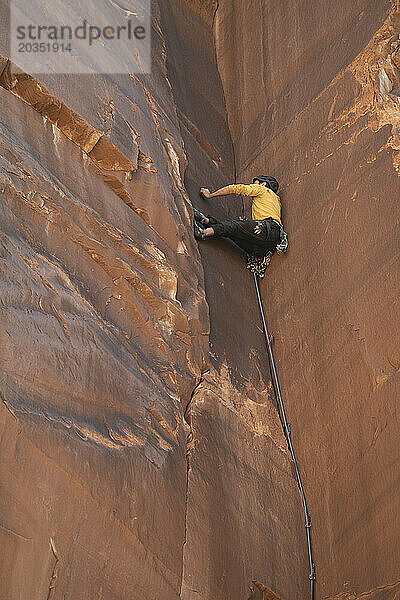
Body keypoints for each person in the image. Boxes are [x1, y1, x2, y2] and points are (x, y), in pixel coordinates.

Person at [193, 175, 288, 277]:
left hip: (266, 227)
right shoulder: (276, 200)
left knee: (234, 227)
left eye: (255, 183)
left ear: (263, 184)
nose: (253, 185)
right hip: (268, 244)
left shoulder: (262, 189)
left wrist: (211, 194)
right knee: (234, 232)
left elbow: (237, 188)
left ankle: (203, 232)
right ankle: (206, 221)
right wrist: (249, 224)